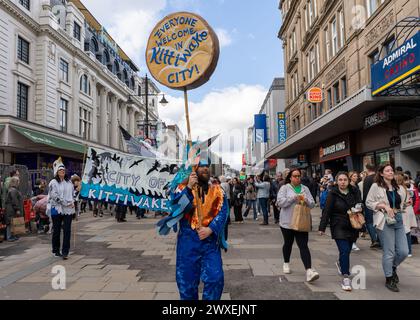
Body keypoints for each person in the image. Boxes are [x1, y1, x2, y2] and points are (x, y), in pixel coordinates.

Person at [159, 159, 228, 300]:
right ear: (193, 170)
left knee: (215, 279)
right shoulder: (182, 188)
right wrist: (189, 188)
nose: (205, 169)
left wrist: (211, 229)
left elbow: (223, 212)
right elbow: (177, 207)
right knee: (187, 283)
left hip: (209, 244)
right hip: (188, 243)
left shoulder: (218, 190)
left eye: (207, 166)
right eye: (201, 166)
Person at [366, 164, 409, 292]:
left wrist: (406, 204)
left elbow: (401, 203)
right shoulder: (376, 186)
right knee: (389, 252)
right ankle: (389, 278)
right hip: (384, 221)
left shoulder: (399, 187)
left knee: (403, 251)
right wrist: (384, 206)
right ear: (381, 173)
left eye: (391, 170)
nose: (390, 172)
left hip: (399, 220)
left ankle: (392, 267)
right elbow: (369, 202)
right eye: (387, 171)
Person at [319, 172, 363, 292]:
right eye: (340, 180)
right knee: (344, 250)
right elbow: (326, 211)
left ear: (348, 181)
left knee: (347, 251)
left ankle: (340, 263)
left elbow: (360, 204)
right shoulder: (332, 193)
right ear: (337, 181)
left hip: (353, 224)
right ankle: (346, 277)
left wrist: (359, 208)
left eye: (345, 180)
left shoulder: (354, 191)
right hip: (338, 225)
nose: (342, 182)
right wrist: (322, 227)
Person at [277, 169, 319, 282]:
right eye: (295, 176)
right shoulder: (284, 188)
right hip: (287, 222)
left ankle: (309, 270)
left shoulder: (305, 189)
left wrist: (306, 200)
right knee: (288, 243)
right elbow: (280, 202)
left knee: (303, 245)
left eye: (299, 176)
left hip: (302, 221)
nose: (297, 178)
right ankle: (286, 262)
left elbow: (312, 204)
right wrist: (293, 198)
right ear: (290, 177)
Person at [47, 158, 75, 260]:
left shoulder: (69, 182)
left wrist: (73, 201)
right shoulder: (53, 182)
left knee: (67, 230)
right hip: (56, 208)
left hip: (68, 210)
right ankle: (55, 250)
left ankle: (65, 251)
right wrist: (64, 203)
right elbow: (54, 195)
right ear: (57, 172)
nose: (62, 172)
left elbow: (73, 194)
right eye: (60, 170)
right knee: (57, 230)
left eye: (63, 170)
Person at [396, 174, 418, 258]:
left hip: (403, 211)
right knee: (407, 231)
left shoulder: (398, 189)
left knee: (405, 231)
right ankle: (408, 250)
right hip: (408, 210)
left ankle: (408, 250)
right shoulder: (405, 188)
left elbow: (400, 202)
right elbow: (410, 201)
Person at [363, 164, 381, 249]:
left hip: (369, 204)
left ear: (367, 169)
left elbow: (365, 193)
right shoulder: (378, 178)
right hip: (379, 204)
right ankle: (380, 240)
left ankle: (375, 240)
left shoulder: (367, 179)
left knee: (369, 222)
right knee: (379, 221)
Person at [4, 176, 23, 242]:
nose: (19, 182)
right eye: (18, 181)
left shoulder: (12, 190)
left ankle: (12, 236)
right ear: (16, 182)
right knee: (9, 223)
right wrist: (17, 209)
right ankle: (9, 237)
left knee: (11, 222)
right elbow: (14, 200)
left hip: (11, 209)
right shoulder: (13, 190)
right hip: (11, 209)